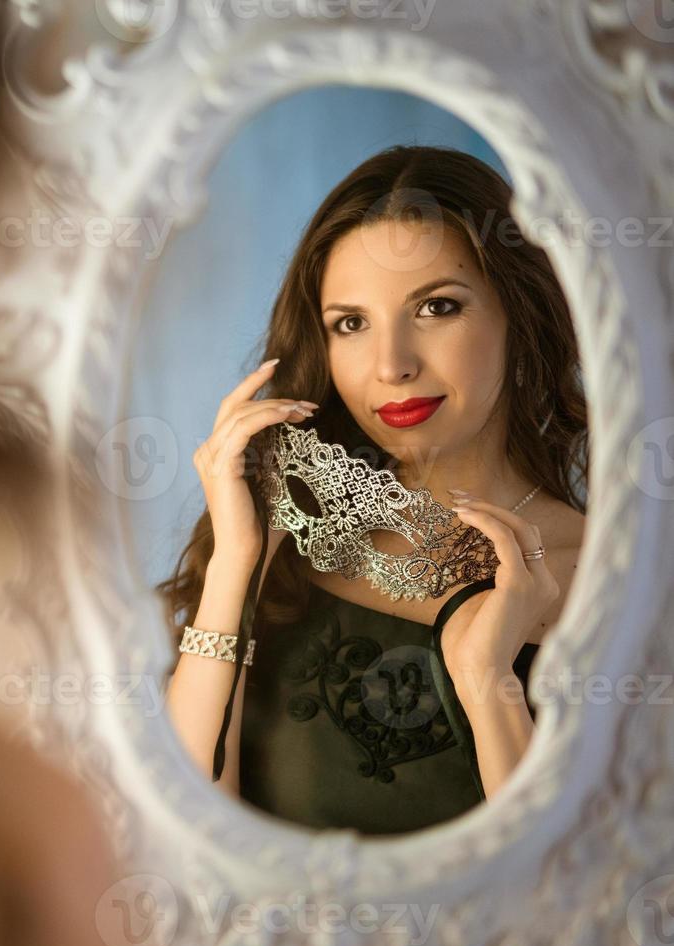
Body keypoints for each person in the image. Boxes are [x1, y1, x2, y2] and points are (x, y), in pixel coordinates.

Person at [161, 146, 589, 836]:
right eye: (350, 324)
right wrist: (233, 567)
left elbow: (565, 894)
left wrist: (487, 685)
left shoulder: (617, 576)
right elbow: (187, 833)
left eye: (436, 307)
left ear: (519, 311)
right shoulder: (284, 534)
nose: (390, 365)